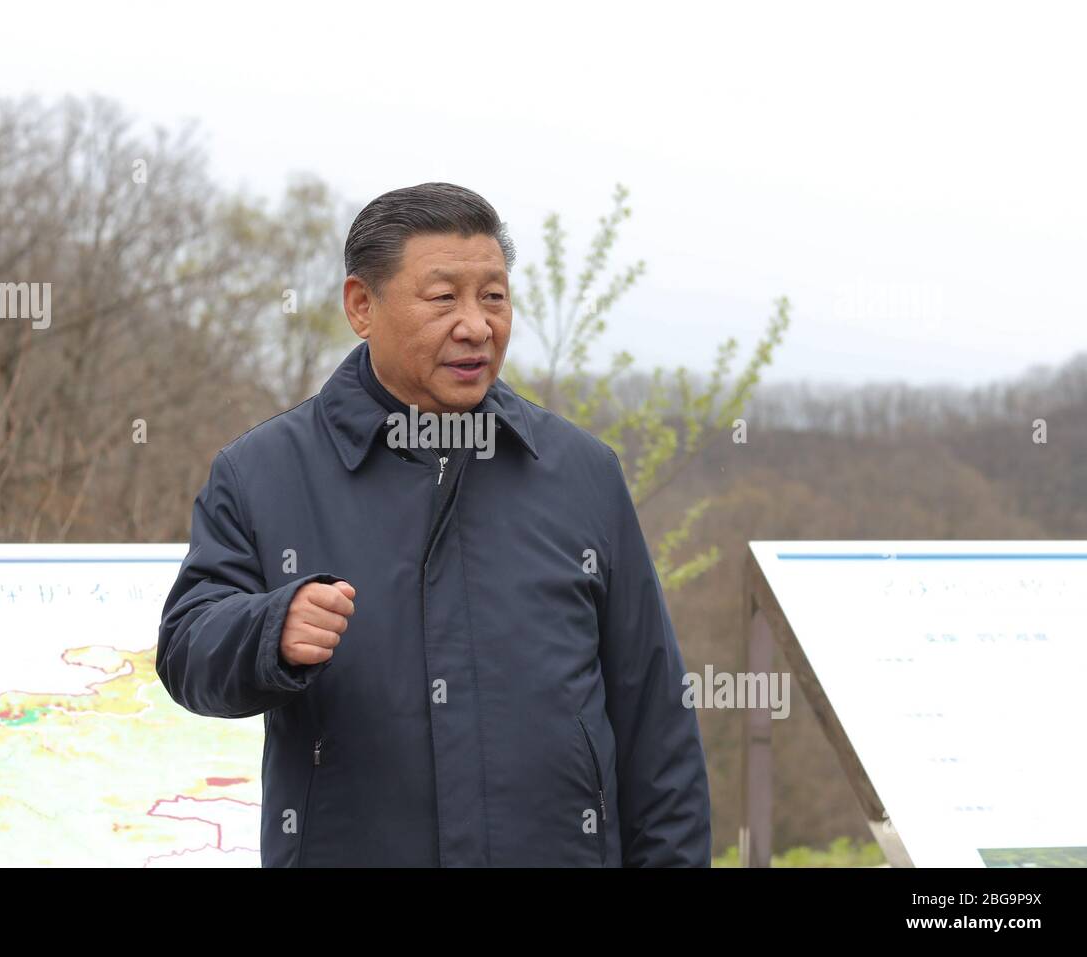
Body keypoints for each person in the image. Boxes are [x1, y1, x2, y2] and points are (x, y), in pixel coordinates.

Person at [156, 182, 711, 867]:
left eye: (494, 297)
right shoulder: (262, 472)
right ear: (362, 305)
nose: (476, 325)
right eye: (444, 297)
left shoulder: (581, 471)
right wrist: (270, 628)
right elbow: (185, 650)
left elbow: (655, 719)